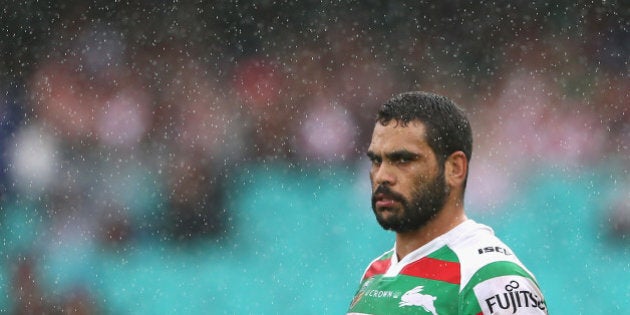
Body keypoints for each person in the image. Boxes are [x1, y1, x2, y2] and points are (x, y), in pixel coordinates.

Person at [347, 91, 547, 314]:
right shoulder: (375, 273)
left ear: (455, 168)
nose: (382, 175)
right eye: (376, 160)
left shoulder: (491, 278)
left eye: (403, 159)